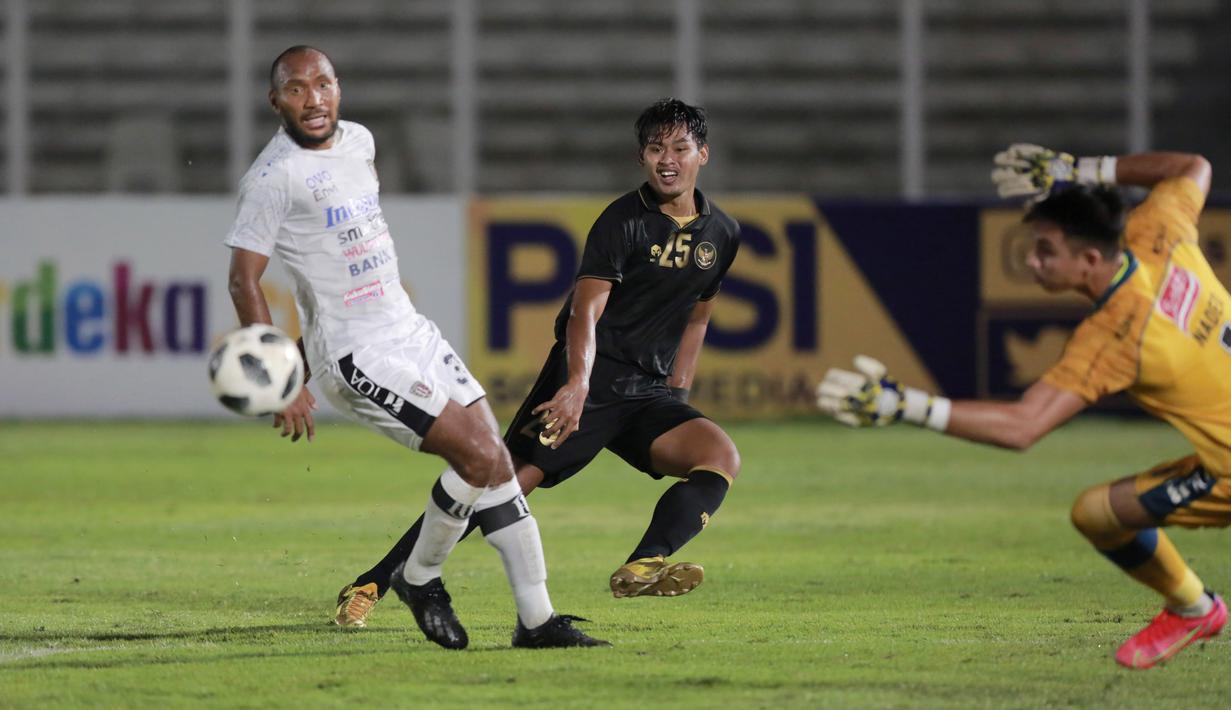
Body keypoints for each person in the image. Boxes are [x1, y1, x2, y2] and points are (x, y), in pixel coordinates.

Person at [224, 45, 606, 650]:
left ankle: (536, 622)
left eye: (322, 83)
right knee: (477, 459)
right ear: (276, 102)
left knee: (498, 464)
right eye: (295, 89)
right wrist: (285, 379)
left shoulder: (359, 141)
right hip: (357, 355)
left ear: (338, 88)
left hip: (410, 329)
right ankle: (419, 577)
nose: (312, 98)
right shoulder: (272, 178)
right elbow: (244, 280)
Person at [334, 98, 743, 628]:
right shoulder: (623, 222)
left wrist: (677, 396)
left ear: (702, 155)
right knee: (494, 484)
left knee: (718, 457)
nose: (668, 159)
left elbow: (698, 316)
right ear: (641, 157)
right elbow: (583, 313)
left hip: (647, 392)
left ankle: (646, 562)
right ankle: (373, 581)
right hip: (592, 380)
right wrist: (576, 385)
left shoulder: (722, 233)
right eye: (655, 148)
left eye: (680, 148)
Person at [818, 144, 1228, 670]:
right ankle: (1194, 607)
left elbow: (1022, 426)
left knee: (1097, 516)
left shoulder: (1115, 337)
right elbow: (1193, 167)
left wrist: (906, 405)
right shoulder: (1157, 233)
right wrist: (1078, 170)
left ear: (1089, 260)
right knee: (1100, 514)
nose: (1032, 261)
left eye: (1045, 250)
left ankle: (1196, 609)